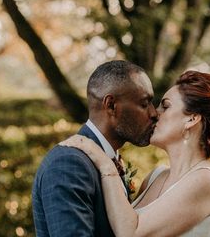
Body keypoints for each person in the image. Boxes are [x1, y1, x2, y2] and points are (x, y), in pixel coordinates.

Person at [61, 70, 210, 237]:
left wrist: (104, 162)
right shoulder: (156, 176)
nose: (154, 113)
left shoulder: (206, 181)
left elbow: (130, 232)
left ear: (191, 119)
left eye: (165, 106)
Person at [32, 60, 158, 237]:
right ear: (111, 105)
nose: (154, 113)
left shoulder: (108, 160)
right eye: (145, 104)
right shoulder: (69, 164)